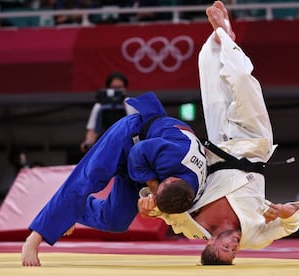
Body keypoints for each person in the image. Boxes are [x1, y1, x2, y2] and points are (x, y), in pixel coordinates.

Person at [138, 1, 299, 265]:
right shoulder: (254, 236)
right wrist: (286, 213)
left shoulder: (192, 226)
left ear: (211, 244)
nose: (235, 247)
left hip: (219, 144)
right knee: (240, 79)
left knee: (208, 67)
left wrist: (146, 203)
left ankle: (220, 39)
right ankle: (227, 37)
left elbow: (162, 208)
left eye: (226, 249)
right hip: (253, 143)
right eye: (235, 253)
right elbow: (290, 225)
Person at [21, 92, 207, 266]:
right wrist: (151, 188)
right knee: (86, 179)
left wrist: (152, 205)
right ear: (172, 180)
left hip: (147, 163)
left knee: (116, 220)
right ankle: (35, 237)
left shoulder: (192, 192)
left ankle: (74, 211)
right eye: (159, 187)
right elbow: (137, 154)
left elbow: (167, 201)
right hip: (130, 136)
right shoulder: (174, 156)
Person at [81, 72, 129, 153]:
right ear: (108, 89)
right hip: (105, 147)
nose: (117, 90)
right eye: (114, 87)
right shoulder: (99, 106)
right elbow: (93, 130)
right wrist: (88, 143)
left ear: (125, 89)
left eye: (120, 87)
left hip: (126, 147)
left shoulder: (131, 104)